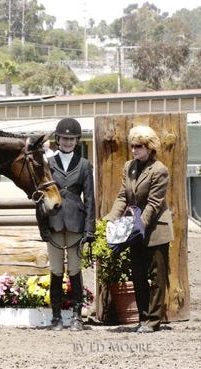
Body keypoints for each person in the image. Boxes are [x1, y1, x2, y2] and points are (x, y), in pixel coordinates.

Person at [104, 125, 173, 333]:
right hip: (136, 229)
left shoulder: (159, 170)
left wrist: (137, 226)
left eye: (139, 146)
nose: (134, 150)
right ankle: (142, 318)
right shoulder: (129, 167)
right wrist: (110, 219)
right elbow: (123, 196)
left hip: (155, 230)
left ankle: (154, 321)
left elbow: (154, 204)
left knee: (157, 277)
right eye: (132, 145)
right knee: (138, 275)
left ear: (150, 147)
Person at [39, 117, 96, 331]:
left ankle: (76, 316)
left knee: (74, 269)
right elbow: (40, 196)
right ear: (58, 139)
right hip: (53, 222)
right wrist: (42, 226)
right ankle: (56, 316)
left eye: (72, 139)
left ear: (77, 141)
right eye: (64, 138)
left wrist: (90, 229)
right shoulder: (48, 164)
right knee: (55, 269)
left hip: (75, 222)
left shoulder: (84, 165)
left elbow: (90, 199)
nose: (68, 142)